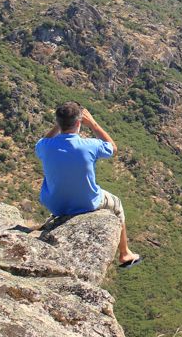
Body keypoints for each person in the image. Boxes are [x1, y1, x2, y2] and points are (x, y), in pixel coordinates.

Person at [35, 101, 141, 268]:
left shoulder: (45, 146)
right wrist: (93, 124)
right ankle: (125, 253)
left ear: (58, 122)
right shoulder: (90, 145)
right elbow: (113, 148)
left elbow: (42, 141)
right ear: (79, 122)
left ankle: (57, 215)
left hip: (54, 205)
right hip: (86, 203)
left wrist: (58, 125)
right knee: (117, 204)